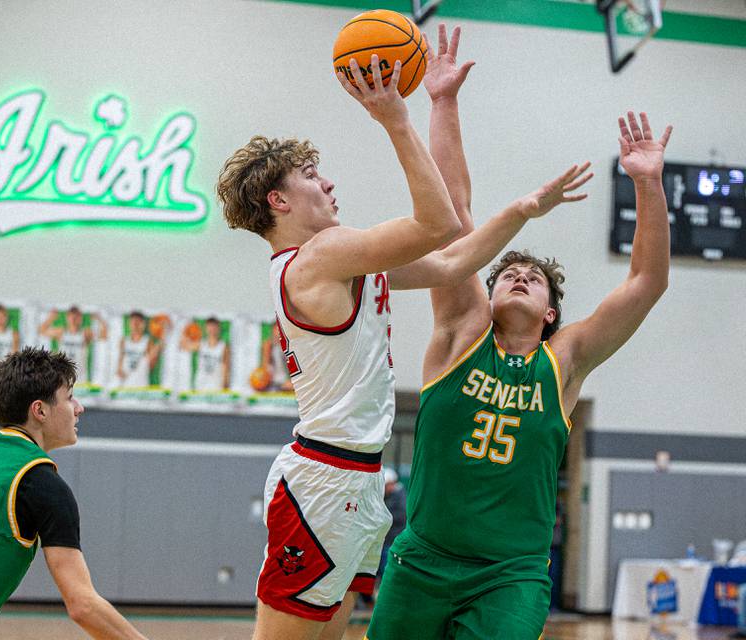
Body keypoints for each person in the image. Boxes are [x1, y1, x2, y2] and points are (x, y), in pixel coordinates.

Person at [216, 48, 589, 640]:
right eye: (311, 176)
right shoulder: (317, 257)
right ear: (278, 202)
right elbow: (439, 222)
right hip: (324, 477)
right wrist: (394, 119)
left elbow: (454, 257)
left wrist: (449, 113)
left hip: (360, 481)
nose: (329, 181)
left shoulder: (345, 264)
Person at [366, 25, 672, 640]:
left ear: (551, 314)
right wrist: (443, 102)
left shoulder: (565, 362)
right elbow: (452, 215)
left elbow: (645, 282)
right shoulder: (460, 332)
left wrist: (647, 184)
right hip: (421, 560)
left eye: (534, 279)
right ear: (487, 291)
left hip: (511, 574)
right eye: (508, 272)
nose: (519, 276)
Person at [0, 347, 147, 639]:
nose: (79, 408)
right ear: (39, 410)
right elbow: (83, 605)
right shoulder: (39, 482)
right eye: (69, 398)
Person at [39, 306, 108, 384]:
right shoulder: (61, 332)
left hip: (81, 377)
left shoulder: (85, 333)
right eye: (72, 317)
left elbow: (104, 336)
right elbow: (41, 331)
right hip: (64, 376)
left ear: (80, 318)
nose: (74, 319)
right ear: (67, 318)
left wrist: (98, 318)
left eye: (77, 317)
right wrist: (51, 318)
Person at [116, 311, 161, 388]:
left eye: (138, 322)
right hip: (125, 385)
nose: (135, 325)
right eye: (133, 322)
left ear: (143, 324)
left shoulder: (148, 341)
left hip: (141, 385)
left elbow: (151, 366)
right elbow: (120, 363)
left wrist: (156, 351)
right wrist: (119, 371)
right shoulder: (123, 341)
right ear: (129, 324)